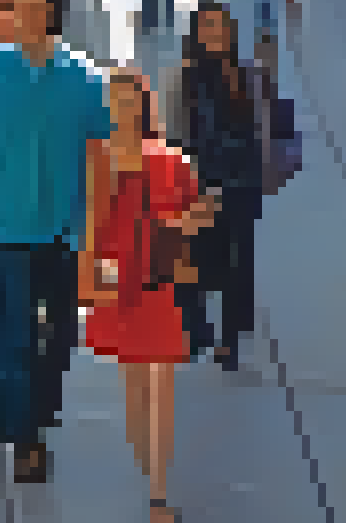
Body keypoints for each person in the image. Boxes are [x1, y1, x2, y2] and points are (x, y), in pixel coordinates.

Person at [0, 0, 114, 484]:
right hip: (4, 229)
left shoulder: (85, 78)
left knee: (62, 337)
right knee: (17, 336)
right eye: (13, 6)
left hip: (65, 232)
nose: (18, 15)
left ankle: (38, 415)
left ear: (50, 13)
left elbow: (98, 162)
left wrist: (93, 240)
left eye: (28, 6)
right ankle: (26, 440)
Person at [90, 70, 214, 522]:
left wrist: (189, 219)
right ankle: (149, 474)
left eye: (131, 100)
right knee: (135, 386)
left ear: (144, 106)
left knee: (162, 384)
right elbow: (89, 227)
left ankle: (159, 493)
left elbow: (196, 217)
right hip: (116, 282)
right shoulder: (98, 162)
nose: (124, 109)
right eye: (116, 101)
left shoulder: (171, 162)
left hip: (161, 281)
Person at [178, 1, 269, 370]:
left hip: (240, 180)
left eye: (220, 27)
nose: (215, 34)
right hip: (198, 179)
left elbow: (263, 127)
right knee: (193, 258)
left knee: (236, 261)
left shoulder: (246, 74)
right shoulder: (183, 76)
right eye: (207, 27)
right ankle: (196, 328)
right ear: (196, 35)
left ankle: (229, 341)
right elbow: (175, 131)